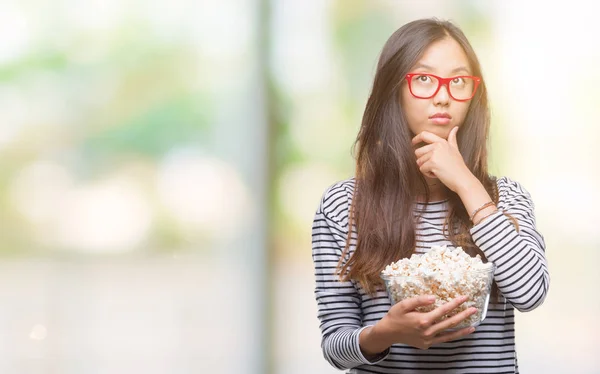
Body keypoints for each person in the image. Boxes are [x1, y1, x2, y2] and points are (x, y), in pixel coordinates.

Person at [311, 18, 549, 373]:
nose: (442, 95)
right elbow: (335, 346)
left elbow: (530, 293)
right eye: (423, 78)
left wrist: (467, 184)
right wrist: (385, 333)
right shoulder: (343, 205)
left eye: (458, 81)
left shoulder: (505, 197)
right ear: (395, 89)